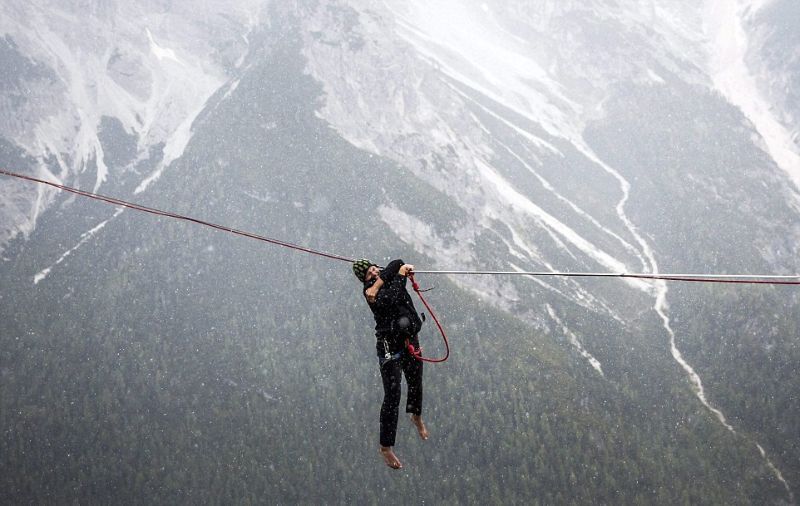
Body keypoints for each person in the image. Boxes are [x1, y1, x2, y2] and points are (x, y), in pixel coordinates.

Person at [353, 258, 429, 469]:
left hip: (408, 339)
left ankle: (416, 416)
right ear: (364, 281)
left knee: (415, 381)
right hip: (389, 347)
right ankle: (385, 447)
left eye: (375, 269)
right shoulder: (371, 295)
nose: (375, 274)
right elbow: (391, 296)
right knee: (392, 396)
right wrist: (399, 276)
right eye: (369, 275)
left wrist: (389, 275)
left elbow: (397, 261)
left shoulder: (382, 280)